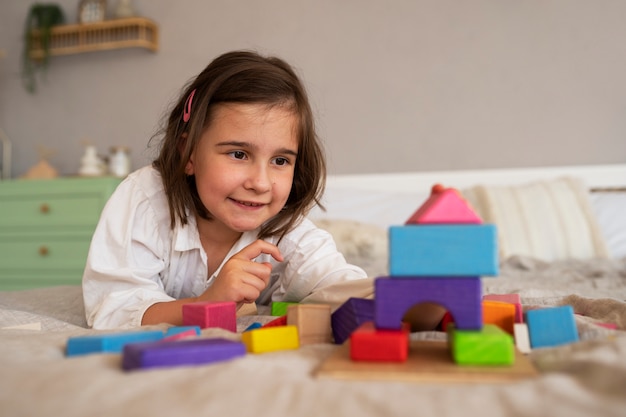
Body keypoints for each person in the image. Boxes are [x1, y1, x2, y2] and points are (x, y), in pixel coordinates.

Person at [82, 50, 374, 329]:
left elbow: (343, 285)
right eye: (238, 154)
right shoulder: (144, 199)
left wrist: (406, 300)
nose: (260, 183)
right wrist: (206, 304)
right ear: (189, 153)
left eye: (281, 160)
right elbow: (113, 308)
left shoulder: (288, 232)